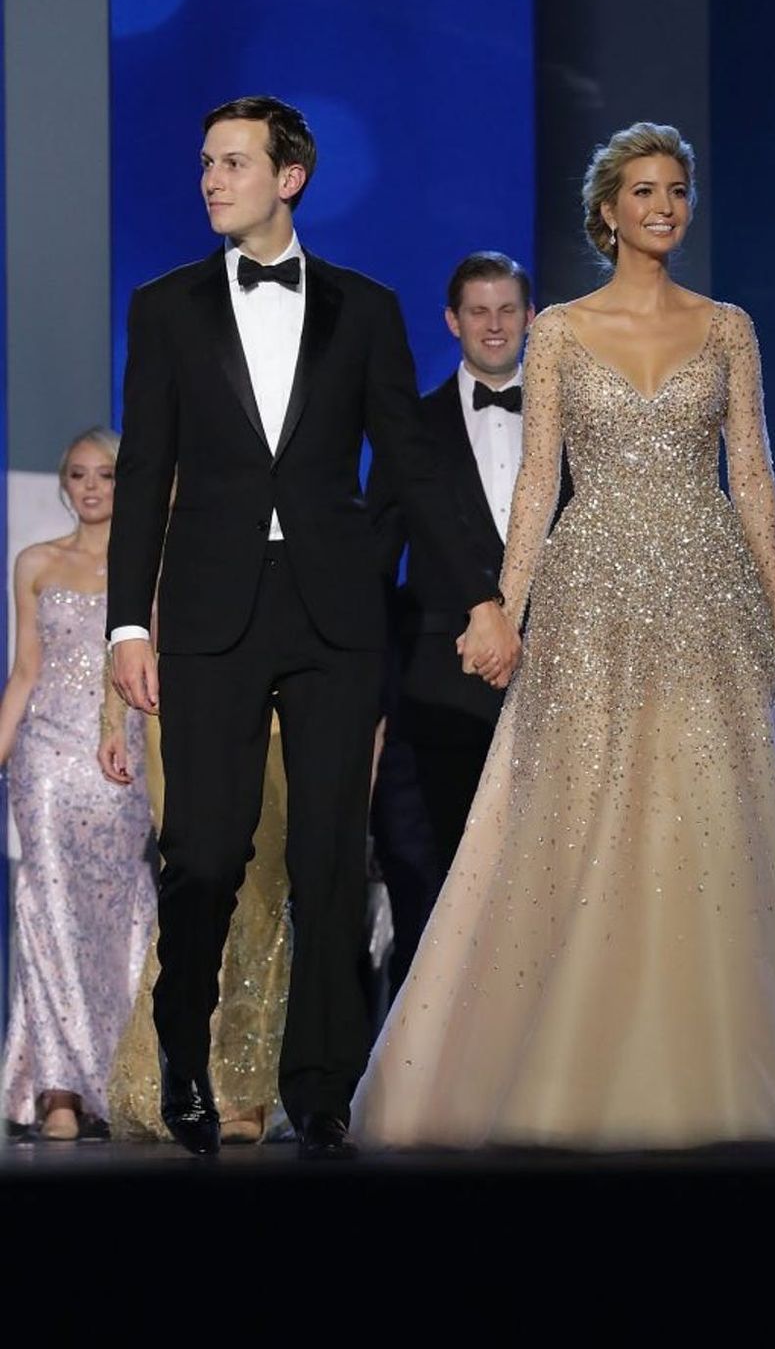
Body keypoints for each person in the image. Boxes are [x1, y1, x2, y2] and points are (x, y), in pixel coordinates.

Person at [351, 122, 775, 1148]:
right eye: (643, 190)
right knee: (579, 816)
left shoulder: (727, 325)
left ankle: (713, 1069)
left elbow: (755, 477)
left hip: (707, 593)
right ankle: (551, 1064)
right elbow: (538, 482)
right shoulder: (556, 328)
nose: (663, 206)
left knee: (707, 822)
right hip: (590, 592)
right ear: (606, 211)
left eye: (676, 190)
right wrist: (506, 605)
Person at [107, 95, 517, 1158]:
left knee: (334, 855)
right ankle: (187, 1060)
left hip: (336, 612)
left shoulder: (365, 308)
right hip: (208, 610)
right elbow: (145, 471)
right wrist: (123, 628)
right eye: (204, 162)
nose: (209, 179)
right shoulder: (165, 307)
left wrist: (479, 591)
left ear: (289, 177)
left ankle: (323, 1086)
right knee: (204, 851)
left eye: (232, 162)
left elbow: (413, 465)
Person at [369, 252, 571, 992]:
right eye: (478, 311)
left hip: (558, 683)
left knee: (552, 876)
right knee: (446, 878)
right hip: (440, 686)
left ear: (532, 318)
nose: (493, 325)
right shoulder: (409, 427)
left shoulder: (575, 425)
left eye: (507, 310)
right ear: (453, 320)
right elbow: (379, 557)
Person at [0, 429, 155, 1141]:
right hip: (44, 762)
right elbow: (25, 669)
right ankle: (60, 1090)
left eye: (108, 475)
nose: (92, 487)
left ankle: (117, 1079)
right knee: (47, 911)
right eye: (79, 475)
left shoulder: (147, 569)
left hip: (118, 756)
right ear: (64, 485)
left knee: (119, 913)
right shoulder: (34, 562)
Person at [99, 686, 290, 1144]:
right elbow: (131, 616)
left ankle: (247, 1088)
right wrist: (112, 719)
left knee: (260, 891)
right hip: (174, 693)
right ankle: (176, 1074)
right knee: (191, 881)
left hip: (276, 702)